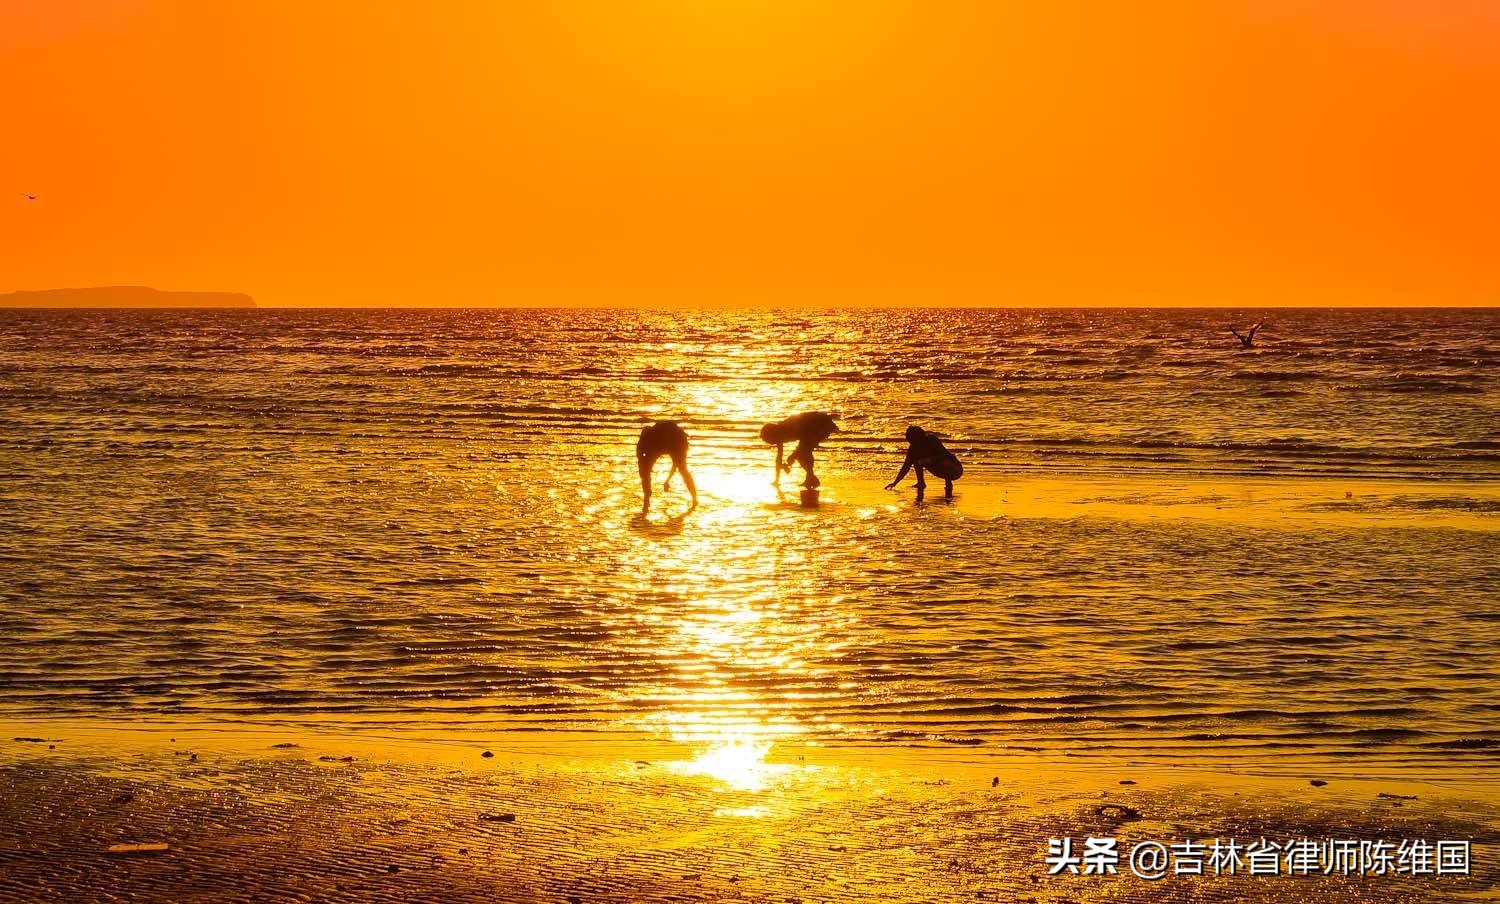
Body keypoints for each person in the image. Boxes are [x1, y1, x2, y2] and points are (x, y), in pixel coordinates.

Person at [759, 412, 839, 489]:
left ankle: (811, 479)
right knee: (802, 453)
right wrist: (776, 480)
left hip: (820, 424)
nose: (773, 443)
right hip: (811, 429)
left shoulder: (787, 427)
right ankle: (810, 479)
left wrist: (792, 458)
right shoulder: (779, 434)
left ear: (772, 434)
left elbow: (805, 439)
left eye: (770, 440)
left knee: (802, 453)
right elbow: (779, 458)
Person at [885, 425, 963, 499]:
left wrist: (930, 459)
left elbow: (943, 455)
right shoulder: (913, 449)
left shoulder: (932, 440)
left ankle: (948, 483)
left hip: (955, 469)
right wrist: (895, 483)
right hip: (939, 469)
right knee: (917, 460)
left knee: (939, 460)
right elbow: (906, 466)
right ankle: (921, 483)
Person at [636, 420, 696, 514]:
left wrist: (667, 480)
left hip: (675, 439)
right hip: (657, 442)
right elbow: (640, 458)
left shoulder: (678, 439)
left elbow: (676, 463)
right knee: (644, 470)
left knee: (683, 470)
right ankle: (647, 498)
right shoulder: (646, 441)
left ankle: (695, 499)